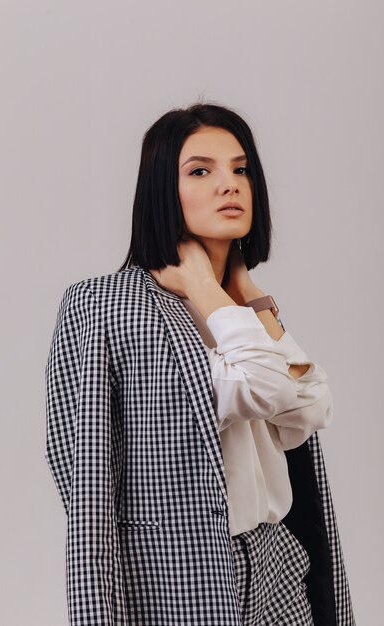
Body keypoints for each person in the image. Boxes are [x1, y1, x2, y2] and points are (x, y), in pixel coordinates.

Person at [45, 102, 355, 625]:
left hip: (276, 564)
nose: (229, 184)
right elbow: (86, 479)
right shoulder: (105, 306)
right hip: (174, 579)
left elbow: (309, 410)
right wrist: (205, 286)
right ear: (162, 192)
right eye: (200, 170)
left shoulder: (239, 307)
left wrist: (245, 297)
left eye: (241, 169)